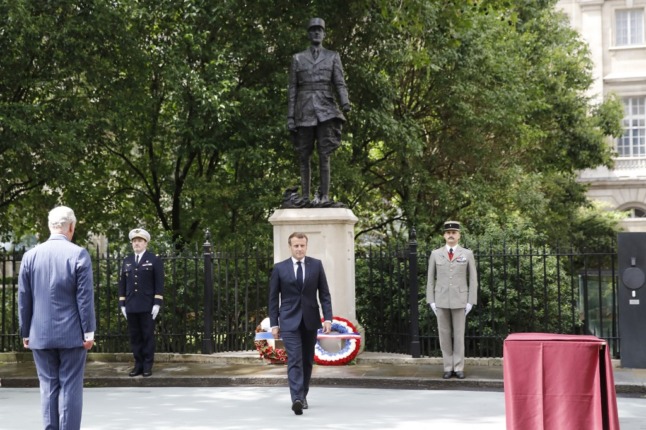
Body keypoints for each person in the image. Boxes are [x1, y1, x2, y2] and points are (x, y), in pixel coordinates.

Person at [18, 206, 96, 430]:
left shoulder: (30, 256)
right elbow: (84, 298)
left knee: (48, 386)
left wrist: (26, 332)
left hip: (39, 334)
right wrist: (88, 332)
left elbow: (24, 298)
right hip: (72, 334)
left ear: (50, 226)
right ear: (71, 227)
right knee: (71, 386)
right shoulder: (78, 254)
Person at [287, 17, 350, 206]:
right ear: (308, 34)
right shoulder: (297, 58)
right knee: (304, 154)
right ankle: (305, 196)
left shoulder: (333, 56)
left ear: (323, 34)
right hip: (304, 109)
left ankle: (324, 196)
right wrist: (290, 117)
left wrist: (345, 102)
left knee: (325, 154)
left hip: (326, 108)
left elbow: (339, 82)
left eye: (319, 30)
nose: (316, 33)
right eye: (313, 30)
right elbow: (292, 89)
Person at [268, 232, 333, 415]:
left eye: (302, 245)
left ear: (306, 246)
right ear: (290, 246)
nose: (299, 249)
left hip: (310, 320)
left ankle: (303, 395)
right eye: (296, 246)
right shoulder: (280, 268)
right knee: (295, 358)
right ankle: (296, 398)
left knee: (307, 360)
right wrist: (274, 323)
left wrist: (327, 318)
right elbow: (273, 298)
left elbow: (325, 294)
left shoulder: (316, 265)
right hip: (288, 321)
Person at [426, 221, 478, 379]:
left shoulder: (467, 254)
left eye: (454, 232)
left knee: (459, 335)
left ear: (459, 235)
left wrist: (471, 301)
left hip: (460, 299)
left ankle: (459, 367)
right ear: (444, 235)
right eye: (448, 232)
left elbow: (473, 279)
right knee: (444, 335)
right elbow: (430, 279)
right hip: (441, 299)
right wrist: (431, 300)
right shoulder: (435, 254)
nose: (451, 235)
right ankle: (448, 367)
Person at [118, 228, 164, 377]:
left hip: (147, 305)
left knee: (147, 336)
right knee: (135, 337)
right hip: (131, 305)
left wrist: (157, 303)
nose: (136, 243)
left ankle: (147, 366)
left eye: (139, 241)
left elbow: (159, 282)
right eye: (134, 241)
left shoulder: (154, 259)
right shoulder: (127, 261)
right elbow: (122, 283)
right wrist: (122, 304)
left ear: (146, 243)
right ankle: (138, 365)